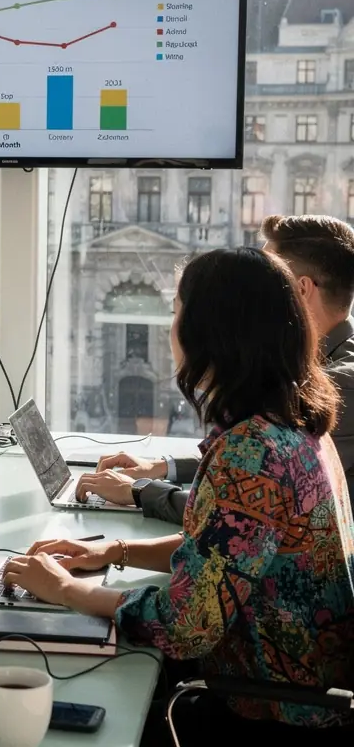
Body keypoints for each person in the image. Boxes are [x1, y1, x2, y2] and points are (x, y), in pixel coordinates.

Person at [4, 248, 354, 742]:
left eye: (176, 310)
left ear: (210, 331)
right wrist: (115, 551)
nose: (171, 326)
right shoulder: (296, 423)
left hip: (274, 714)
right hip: (308, 693)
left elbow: (186, 625)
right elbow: (227, 553)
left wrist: (66, 591)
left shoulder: (251, 453)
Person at [79, 214, 354, 523]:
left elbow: (241, 501)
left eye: (270, 278)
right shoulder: (297, 379)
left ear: (298, 290)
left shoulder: (334, 389)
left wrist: (141, 491)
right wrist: (161, 467)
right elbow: (244, 467)